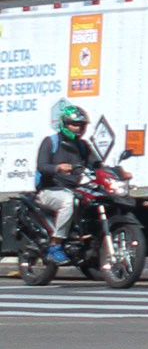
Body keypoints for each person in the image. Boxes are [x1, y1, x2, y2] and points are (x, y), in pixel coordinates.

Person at [30, 101, 94, 244]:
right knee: (67, 201)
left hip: (75, 188)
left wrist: (116, 171)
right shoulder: (51, 142)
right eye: (74, 124)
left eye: (82, 125)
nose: (78, 128)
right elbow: (42, 166)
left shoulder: (83, 146)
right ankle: (55, 243)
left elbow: (96, 164)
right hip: (49, 190)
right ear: (64, 124)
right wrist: (58, 168)